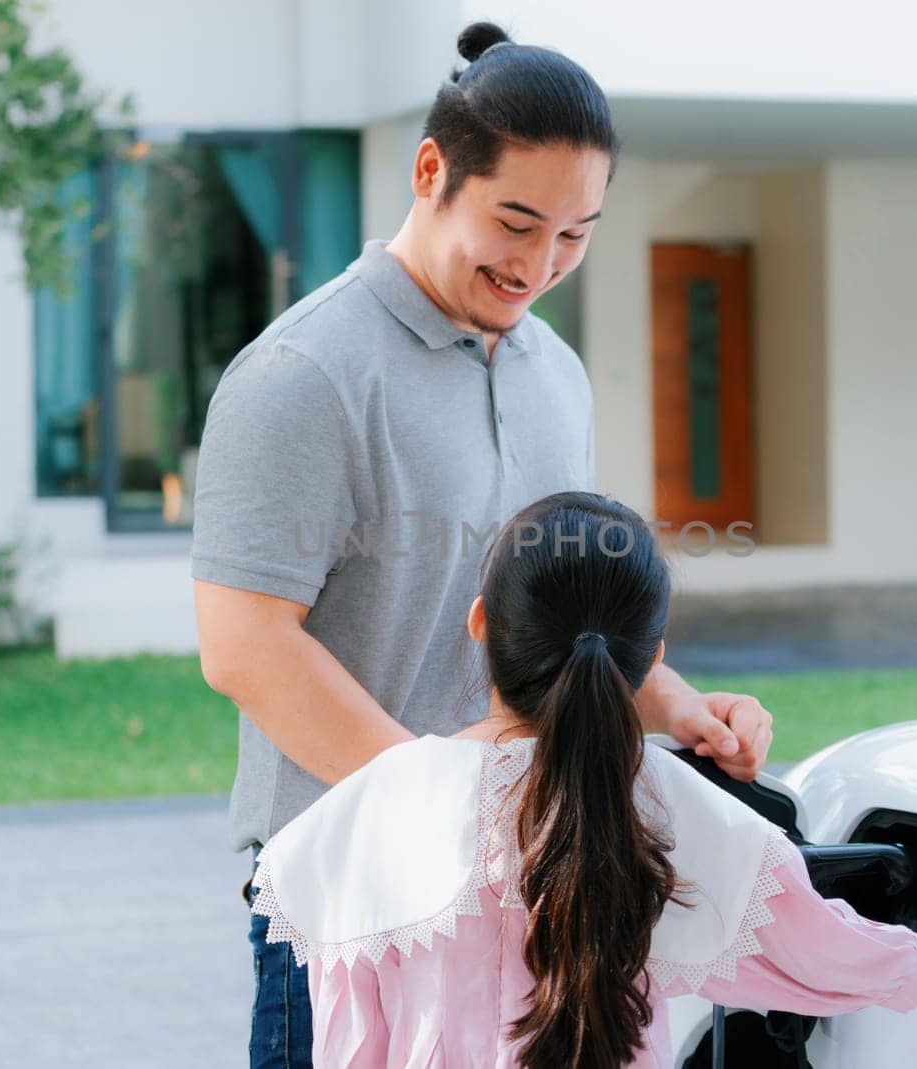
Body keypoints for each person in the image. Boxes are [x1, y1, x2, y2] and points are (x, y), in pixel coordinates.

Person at [190, 22, 776, 1068]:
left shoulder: (556, 374)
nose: (539, 263)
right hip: (348, 907)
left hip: (524, 900)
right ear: (431, 172)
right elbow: (243, 647)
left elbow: (559, 601)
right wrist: (441, 811)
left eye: (574, 234)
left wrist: (674, 703)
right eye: (516, 221)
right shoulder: (301, 376)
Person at [248, 492, 917, 1068]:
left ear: (482, 622)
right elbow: (820, 949)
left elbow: (350, 1042)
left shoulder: (364, 812)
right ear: (651, 659)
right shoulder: (662, 797)